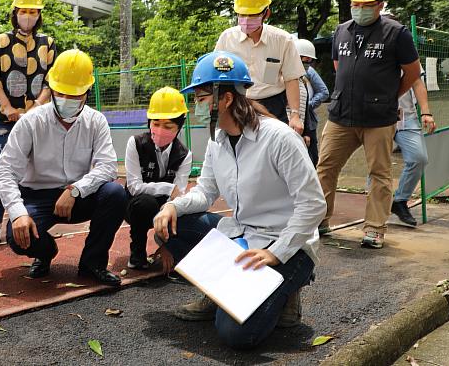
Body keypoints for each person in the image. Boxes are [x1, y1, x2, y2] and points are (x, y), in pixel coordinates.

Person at [153, 51, 326, 350]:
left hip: (289, 245)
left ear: (227, 99)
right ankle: (220, 293)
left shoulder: (279, 138)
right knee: (173, 223)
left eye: (202, 97)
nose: (197, 105)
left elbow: (313, 204)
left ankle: (287, 289)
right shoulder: (217, 140)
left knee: (236, 335)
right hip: (244, 235)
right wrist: (171, 206)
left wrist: (277, 253)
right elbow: (205, 192)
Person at [0, 49, 127, 286]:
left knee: (115, 194)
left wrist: (75, 189)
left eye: (75, 95)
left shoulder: (96, 121)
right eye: (62, 93)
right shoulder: (31, 122)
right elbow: (5, 170)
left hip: (79, 195)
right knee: (17, 237)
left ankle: (92, 263)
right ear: (52, 90)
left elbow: (107, 166)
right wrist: (18, 213)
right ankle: (45, 253)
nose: (68, 100)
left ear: (86, 93)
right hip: (37, 197)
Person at [316, 0, 421, 248]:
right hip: (341, 115)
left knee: (380, 173)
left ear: (379, 4)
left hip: (378, 118)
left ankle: (374, 228)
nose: (359, 8)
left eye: (366, 4)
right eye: (355, 3)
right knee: (325, 167)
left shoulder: (396, 33)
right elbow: (340, 67)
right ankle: (320, 220)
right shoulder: (342, 30)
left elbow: (411, 73)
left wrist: (389, 95)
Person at [0, 0, 57, 245]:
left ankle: (27, 218)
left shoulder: (47, 44)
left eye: (33, 12)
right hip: (5, 119)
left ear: (39, 16)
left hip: (37, 117)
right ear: (14, 13)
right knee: (3, 168)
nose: (28, 16)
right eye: (24, 11)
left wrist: (37, 106)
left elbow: (51, 80)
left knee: (33, 170)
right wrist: (7, 108)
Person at [215, 0, 305, 134]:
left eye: (253, 15)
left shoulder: (282, 40)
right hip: (238, 104)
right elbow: (216, 75)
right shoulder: (227, 39)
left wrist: (295, 115)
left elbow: (291, 79)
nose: (247, 19)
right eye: (242, 14)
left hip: (273, 106)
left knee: (275, 150)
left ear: (266, 13)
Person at [124, 87, 192, 270]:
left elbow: (178, 196)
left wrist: (166, 246)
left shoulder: (184, 154)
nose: (160, 131)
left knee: (185, 208)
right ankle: (137, 253)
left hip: (166, 206)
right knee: (145, 203)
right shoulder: (136, 144)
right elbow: (134, 187)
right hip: (136, 206)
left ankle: (172, 244)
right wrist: (167, 188)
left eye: (168, 126)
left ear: (179, 127)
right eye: (156, 124)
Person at [390, 70, 436, 226]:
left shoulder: (406, 49)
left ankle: (400, 200)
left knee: (419, 158)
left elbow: (416, 81)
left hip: (406, 116)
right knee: (377, 163)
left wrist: (426, 112)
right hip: (377, 114)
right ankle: (375, 210)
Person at [294, 39, 329, 166]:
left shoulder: (309, 72)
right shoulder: (284, 73)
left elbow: (324, 92)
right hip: (290, 122)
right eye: (305, 59)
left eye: (310, 60)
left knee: (312, 158)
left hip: (308, 123)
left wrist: (307, 105)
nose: (307, 63)